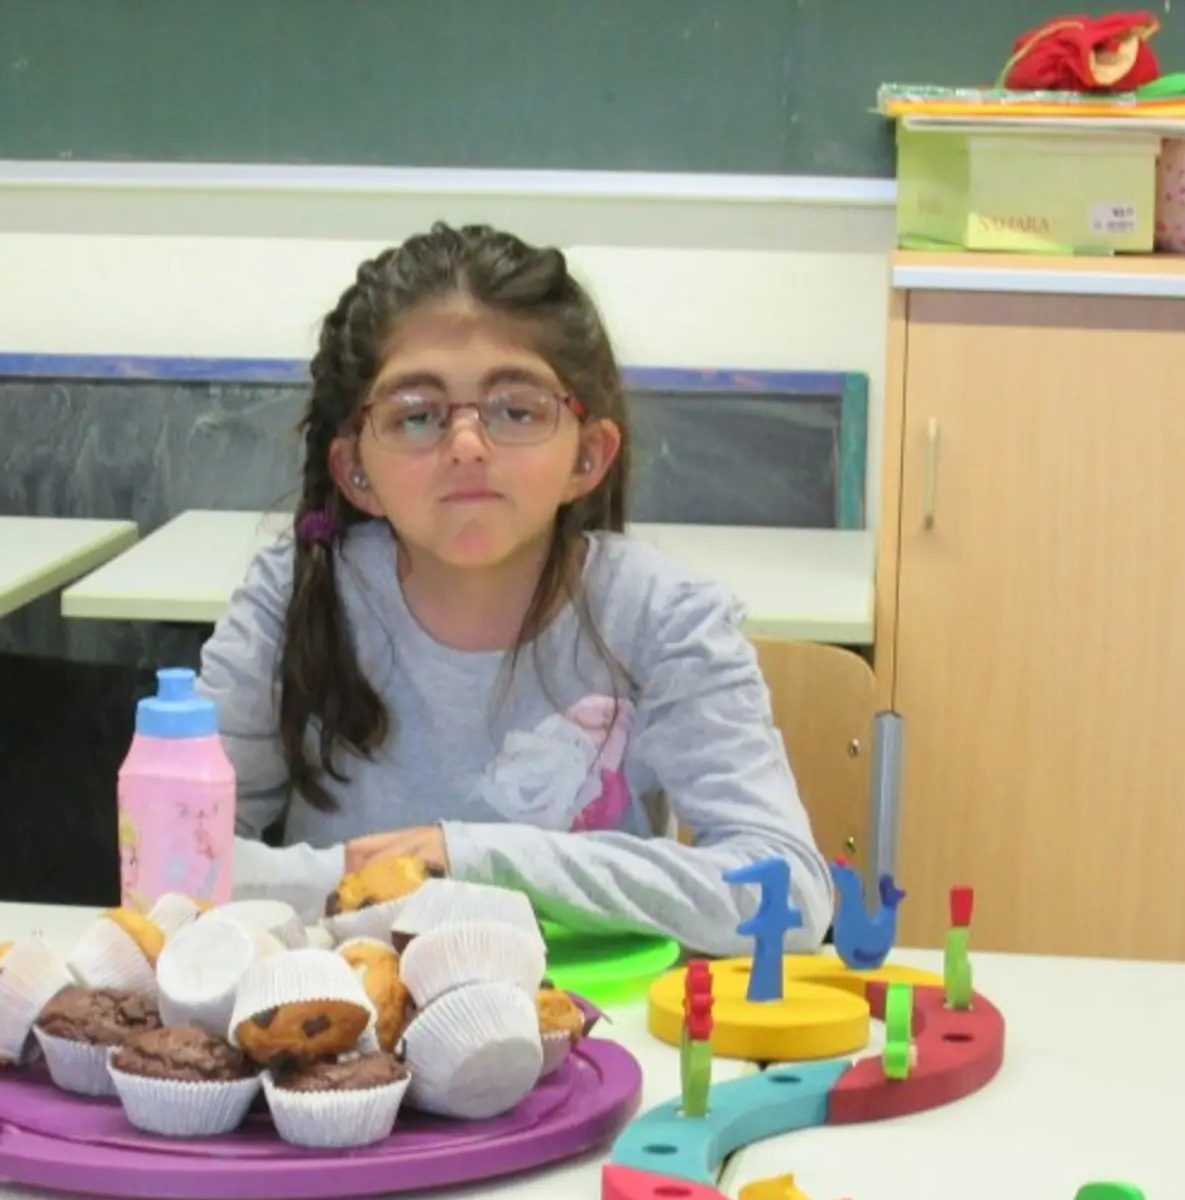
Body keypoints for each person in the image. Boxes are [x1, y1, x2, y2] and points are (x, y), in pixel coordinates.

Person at [195, 222, 831, 955]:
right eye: (417, 415)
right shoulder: (294, 594)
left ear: (588, 456)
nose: (466, 445)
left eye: (518, 410)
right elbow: (168, 868)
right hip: (352, 1036)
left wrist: (471, 858)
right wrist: (397, 875)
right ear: (355, 470)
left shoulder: (665, 617)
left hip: (594, 1037)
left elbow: (787, 890)